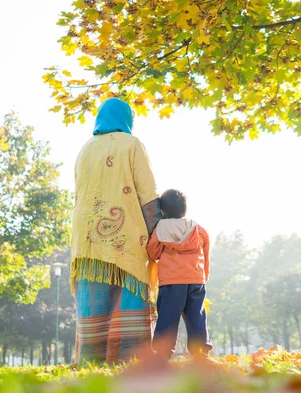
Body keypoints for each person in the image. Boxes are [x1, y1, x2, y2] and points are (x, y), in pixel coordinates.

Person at [70, 98, 161, 364]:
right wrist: (156, 231)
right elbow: (147, 191)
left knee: (93, 295)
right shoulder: (132, 144)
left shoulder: (84, 149)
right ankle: (128, 358)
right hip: (125, 232)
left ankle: (90, 359)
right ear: (126, 119)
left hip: (85, 238)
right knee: (129, 289)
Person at [147, 189, 213, 360]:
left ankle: (162, 353)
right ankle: (200, 353)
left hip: (171, 282)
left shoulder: (160, 229)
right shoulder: (198, 229)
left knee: (168, 317)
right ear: (184, 210)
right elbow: (205, 255)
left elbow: (152, 253)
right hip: (196, 280)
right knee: (196, 316)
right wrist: (204, 277)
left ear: (162, 211)